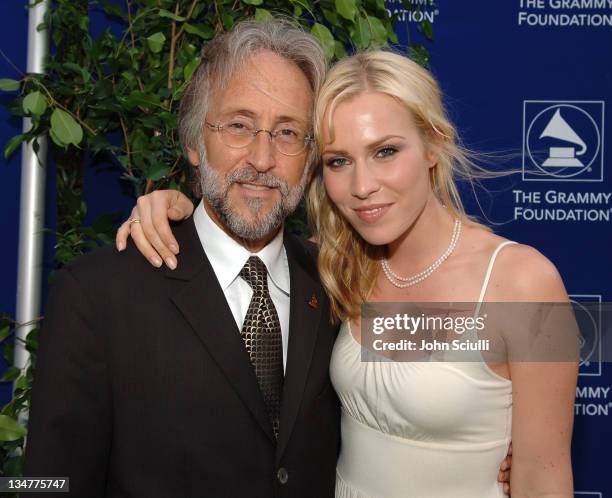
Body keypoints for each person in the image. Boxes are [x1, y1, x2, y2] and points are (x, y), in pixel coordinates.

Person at [120, 50, 577, 497]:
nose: (362, 187)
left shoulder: (526, 282)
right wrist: (173, 208)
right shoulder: (334, 267)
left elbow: (544, 478)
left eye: (386, 151)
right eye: (339, 161)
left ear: (434, 145)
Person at [24, 20, 340, 497]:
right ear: (194, 143)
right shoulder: (97, 296)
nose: (261, 157)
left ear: (311, 157)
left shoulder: (337, 281)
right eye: (238, 125)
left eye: (288, 132)